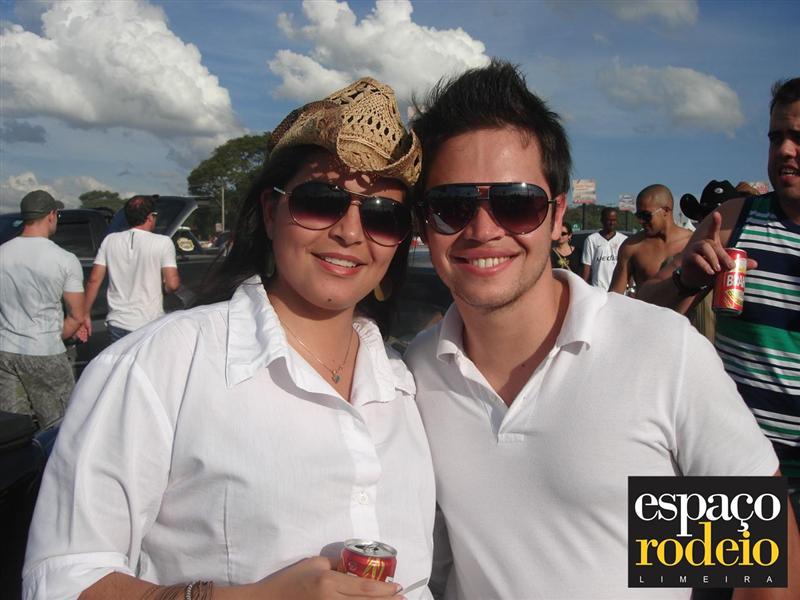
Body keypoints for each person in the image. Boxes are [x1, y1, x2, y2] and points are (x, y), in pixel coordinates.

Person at [23, 78, 434, 599]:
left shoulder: (406, 385)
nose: (350, 232)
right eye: (320, 202)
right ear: (271, 212)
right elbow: (63, 580)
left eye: (382, 215)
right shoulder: (161, 365)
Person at [406, 60, 798, 599]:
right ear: (424, 222)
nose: (482, 229)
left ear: (557, 215)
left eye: (515, 203)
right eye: (452, 206)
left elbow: (762, 566)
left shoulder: (659, 353)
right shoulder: (418, 373)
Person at [637, 77, 800, 498]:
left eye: (798, 138)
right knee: (665, 540)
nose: (784, 150)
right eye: (776, 137)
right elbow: (640, 313)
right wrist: (684, 281)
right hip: (730, 475)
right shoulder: (732, 220)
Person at [0, 190, 86, 430]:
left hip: (4, 352)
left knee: (14, 429)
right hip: (45, 351)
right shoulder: (64, 259)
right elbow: (77, 315)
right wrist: (54, 337)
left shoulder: (2, 253)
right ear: (51, 215)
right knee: (61, 426)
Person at [84, 194, 180, 342]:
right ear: (150, 217)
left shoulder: (110, 240)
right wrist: (164, 288)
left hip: (117, 322)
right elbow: (172, 284)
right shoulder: (163, 242)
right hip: (148, 322)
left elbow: (93, 280)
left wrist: (84, 314)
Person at [609, 184, 692, 295]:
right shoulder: (632, 247)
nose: (641, 221)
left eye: (646, 215)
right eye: (639, 216)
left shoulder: (691, 242)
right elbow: (615, 296)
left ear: (666, 211)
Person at [581, 206, 626, 289]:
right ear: (602, 220)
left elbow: (628, 265)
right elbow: (587, 266)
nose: (612, 223)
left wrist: (630, 288)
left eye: (614, 220)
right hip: (598, 289)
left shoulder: (624, 240)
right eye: (609, 220)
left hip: (618, 289)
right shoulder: (591, 239)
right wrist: (583, 287)